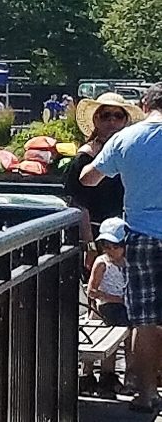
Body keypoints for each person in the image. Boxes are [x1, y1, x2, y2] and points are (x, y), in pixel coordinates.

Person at [80, 82, 162, 413]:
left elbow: (88, 178)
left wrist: (92, 158)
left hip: (141, 236)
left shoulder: (126, 138)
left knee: (145, 319)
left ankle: (145, 395)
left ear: (143, 105)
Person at [63, 92, 140, 245]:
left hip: (125, 233)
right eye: (106, 115)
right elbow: (79, 204)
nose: (112, 120)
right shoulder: (85, 157)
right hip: (96, 234)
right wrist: (88, 243)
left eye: (118, 116)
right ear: (96, 119)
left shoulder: (131, 153)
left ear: (125, 121)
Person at [86, 218, 132, 397]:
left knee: (133, 333)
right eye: (107, 246)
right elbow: (92, 291)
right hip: (107, 305)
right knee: (117, 329)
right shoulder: (102, 262)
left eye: (116, 246)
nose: (111, 250)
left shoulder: (128, 262)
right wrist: (115, 298)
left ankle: (129, 376)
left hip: (124, 304)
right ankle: (106, 376)